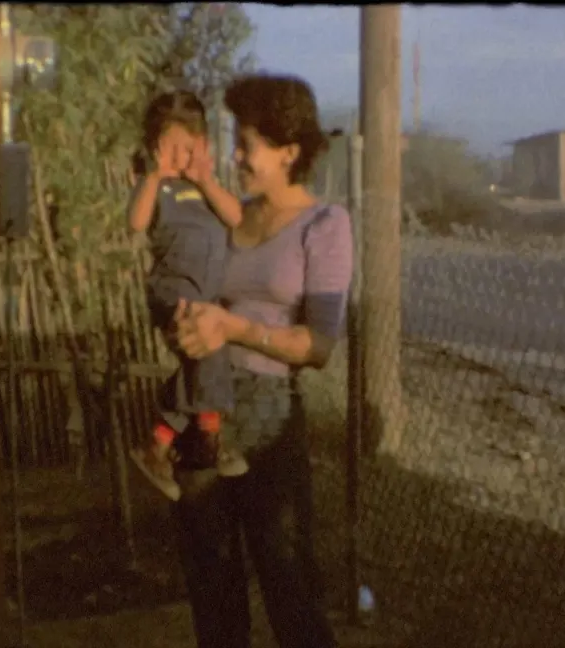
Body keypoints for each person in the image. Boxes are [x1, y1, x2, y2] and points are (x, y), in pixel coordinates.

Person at [169, 73, 353, 648]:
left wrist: (235, 328)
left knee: (287, 581)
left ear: (288, 151)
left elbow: (318, 347)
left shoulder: (325, 225)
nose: (236, 156)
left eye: (246, 143)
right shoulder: (234, 214)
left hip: (269, 420)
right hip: (206, 403)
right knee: (211, 577)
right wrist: (193, 323)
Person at [126, 90, 250, 501]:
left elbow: (237, 218)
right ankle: (210, 439)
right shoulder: (157, 188)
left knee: (206, 359)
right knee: (209, 351)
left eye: (190, 147)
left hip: (208, 295)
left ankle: (158, 444)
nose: (182, 156)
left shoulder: (208, 189)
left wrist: (206, 179)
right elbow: (136, 222)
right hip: (173, 290)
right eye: (173, 148)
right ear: (155, 147)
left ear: (205, 146)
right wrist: (153, 175)